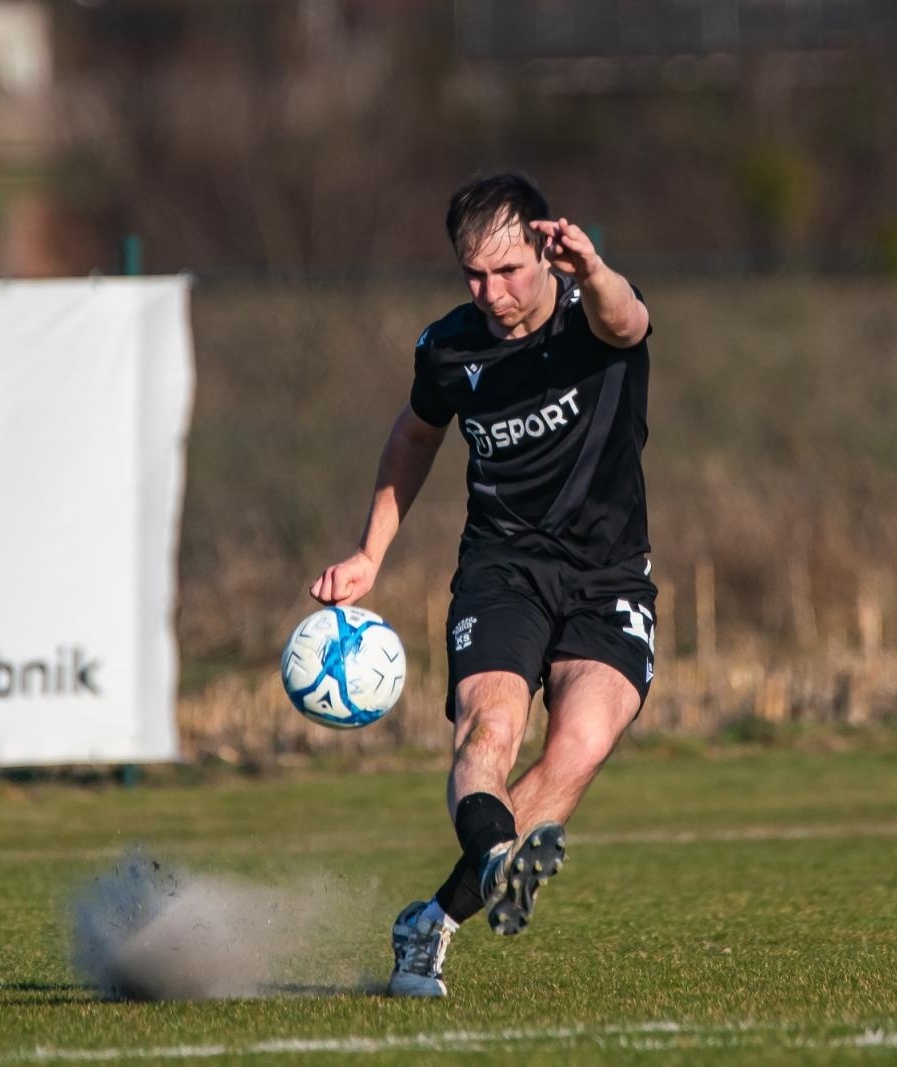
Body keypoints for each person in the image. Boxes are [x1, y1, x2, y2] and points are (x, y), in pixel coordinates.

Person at [309, 171, 658, 997]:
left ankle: (430, 922)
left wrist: (595, 270)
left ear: (545, 248)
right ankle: (497, 854)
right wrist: (370, 553)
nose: (492, 293)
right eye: (474, 274)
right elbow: (413, 436)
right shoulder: (449, 348)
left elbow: (629, 320)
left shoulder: (595, 318)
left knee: (578, 746)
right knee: (488, 736)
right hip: (502, 570)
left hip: (609, 576)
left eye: (508, 271)